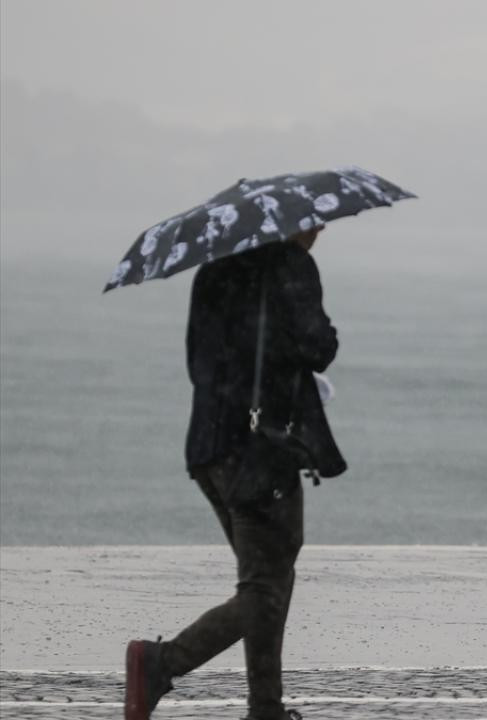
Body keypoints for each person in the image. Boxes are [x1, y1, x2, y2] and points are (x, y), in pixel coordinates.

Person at [124, 227, 345, 720]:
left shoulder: (213, 270)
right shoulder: (290, 266)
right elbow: (317, 347)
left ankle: (266, 709)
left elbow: (197, 362)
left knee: (267, 578)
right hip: (261, 452)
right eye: (313, 221)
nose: (320, 228)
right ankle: (160, 661)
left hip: (208, 447)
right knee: (267, 587)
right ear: (287, 224)